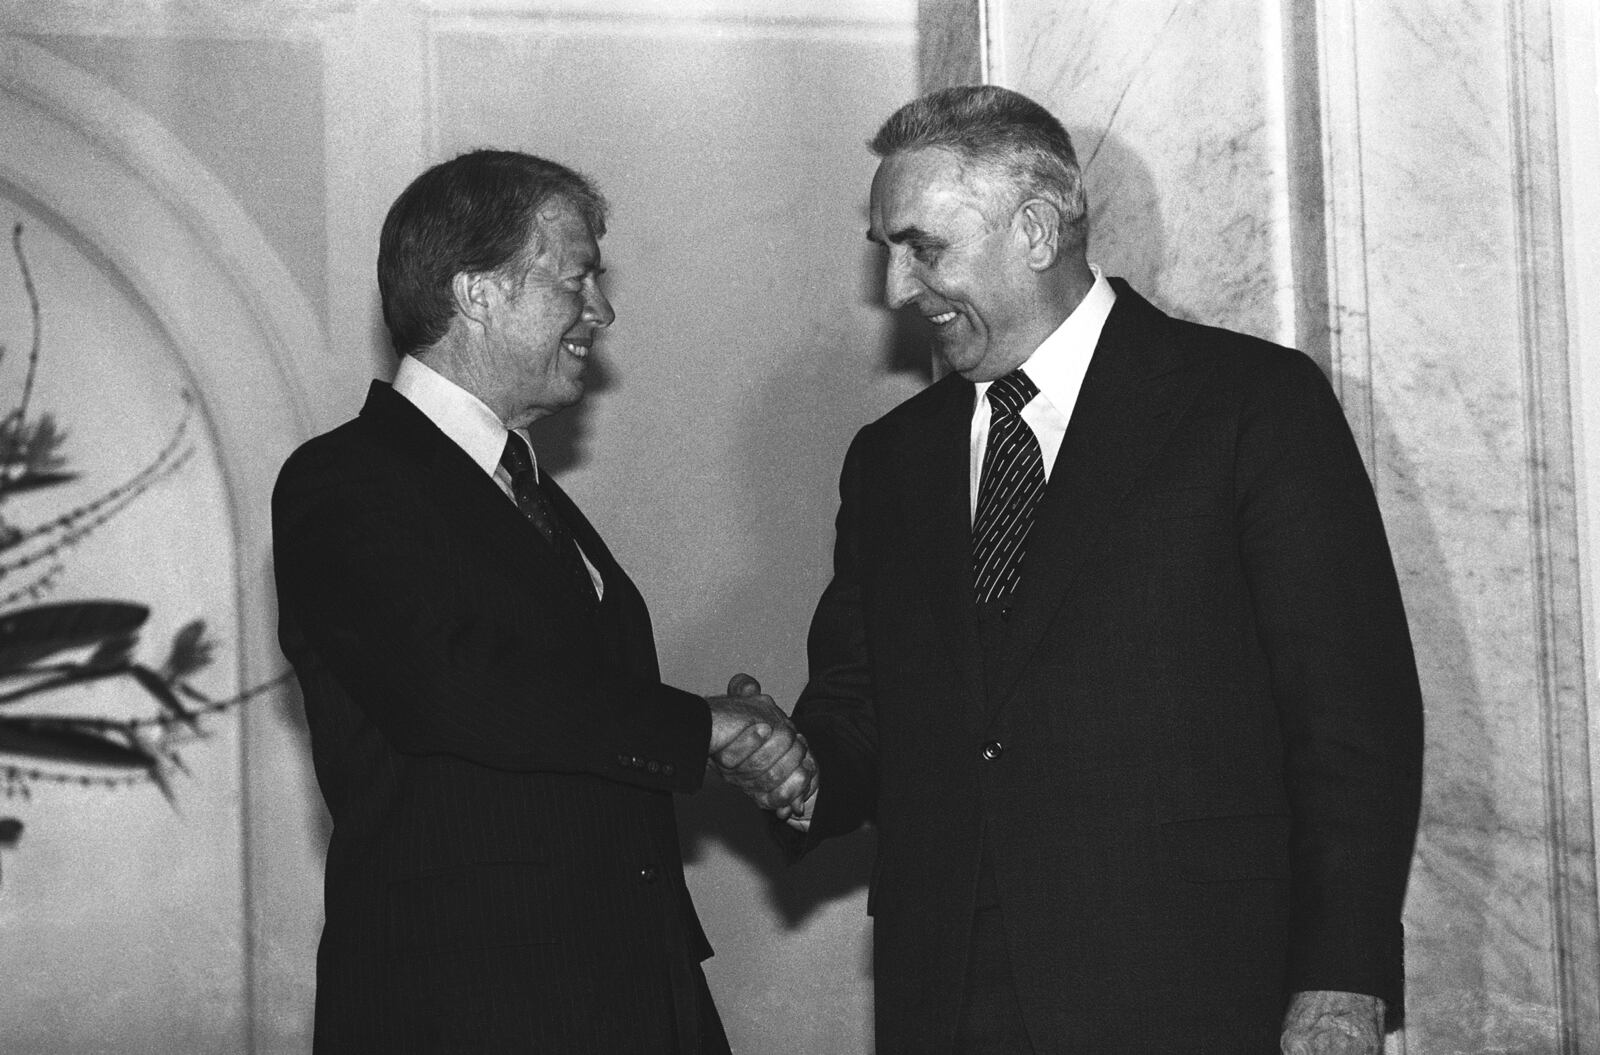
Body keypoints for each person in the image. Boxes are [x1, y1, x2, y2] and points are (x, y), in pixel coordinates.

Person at [719, 86, 1424, 1054]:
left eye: (923, 245)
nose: (897, 289)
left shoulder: (1248, 406)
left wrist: (1341, 978)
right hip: (951, 994)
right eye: (888, 250)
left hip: (1193, 984)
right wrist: (799, 770)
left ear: (1038, 229)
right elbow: (865, 704)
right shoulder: (890, 460)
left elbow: (1351, 718)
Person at [273, 149, 809, 1054]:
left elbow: (566, 723)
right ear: (476, 292)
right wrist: (701, 730)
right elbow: (455, 687)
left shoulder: (525, 488)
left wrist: (721, 739)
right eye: (578, 278)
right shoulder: (344, 481)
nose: (601, 310)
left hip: (634, 995)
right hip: (469, 1009)